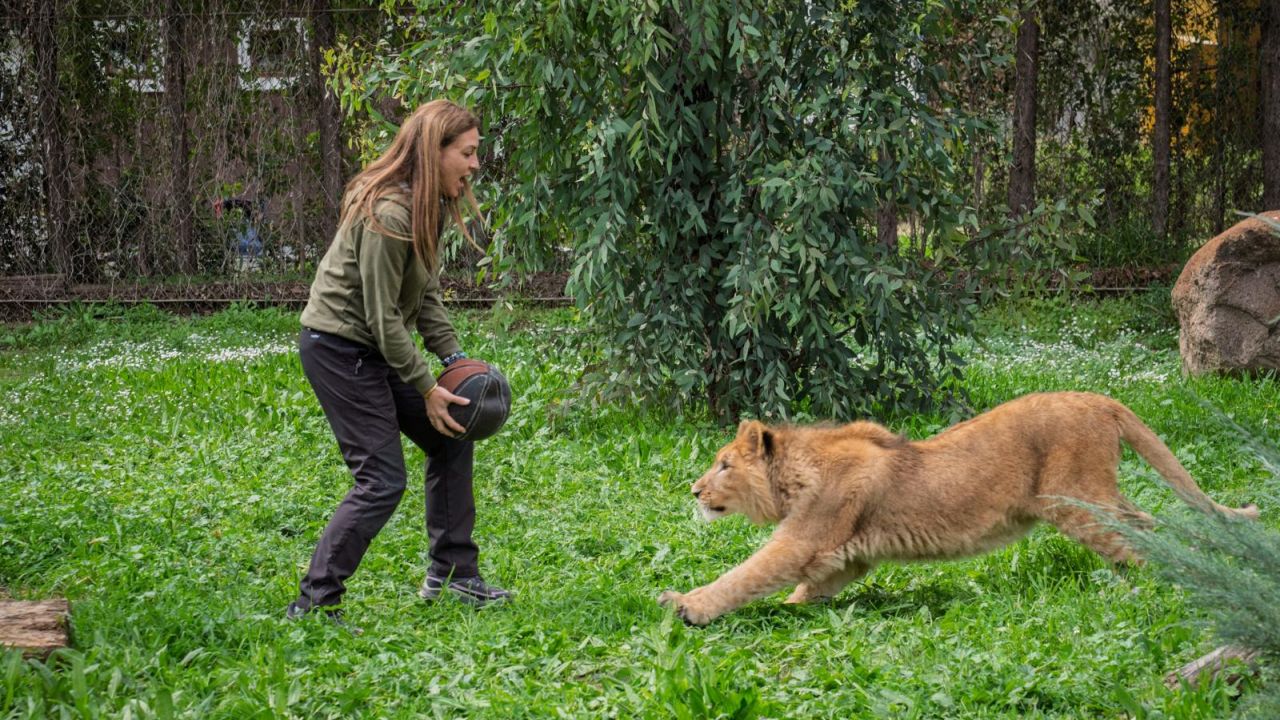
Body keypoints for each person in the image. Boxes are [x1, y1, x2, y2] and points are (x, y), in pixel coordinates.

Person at [286, 99, 510, 631]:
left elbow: (424, 295)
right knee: (382, 479)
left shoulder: (427, 206)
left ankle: (454, 576)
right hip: (339, 349)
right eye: (467, 152)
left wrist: (455, 361)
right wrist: (427, 386)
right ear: (435, 151)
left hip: (375, 346)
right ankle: (315, 603)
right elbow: (382, 316)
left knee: (451, 434)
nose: (475, 164)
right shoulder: (390, 213)